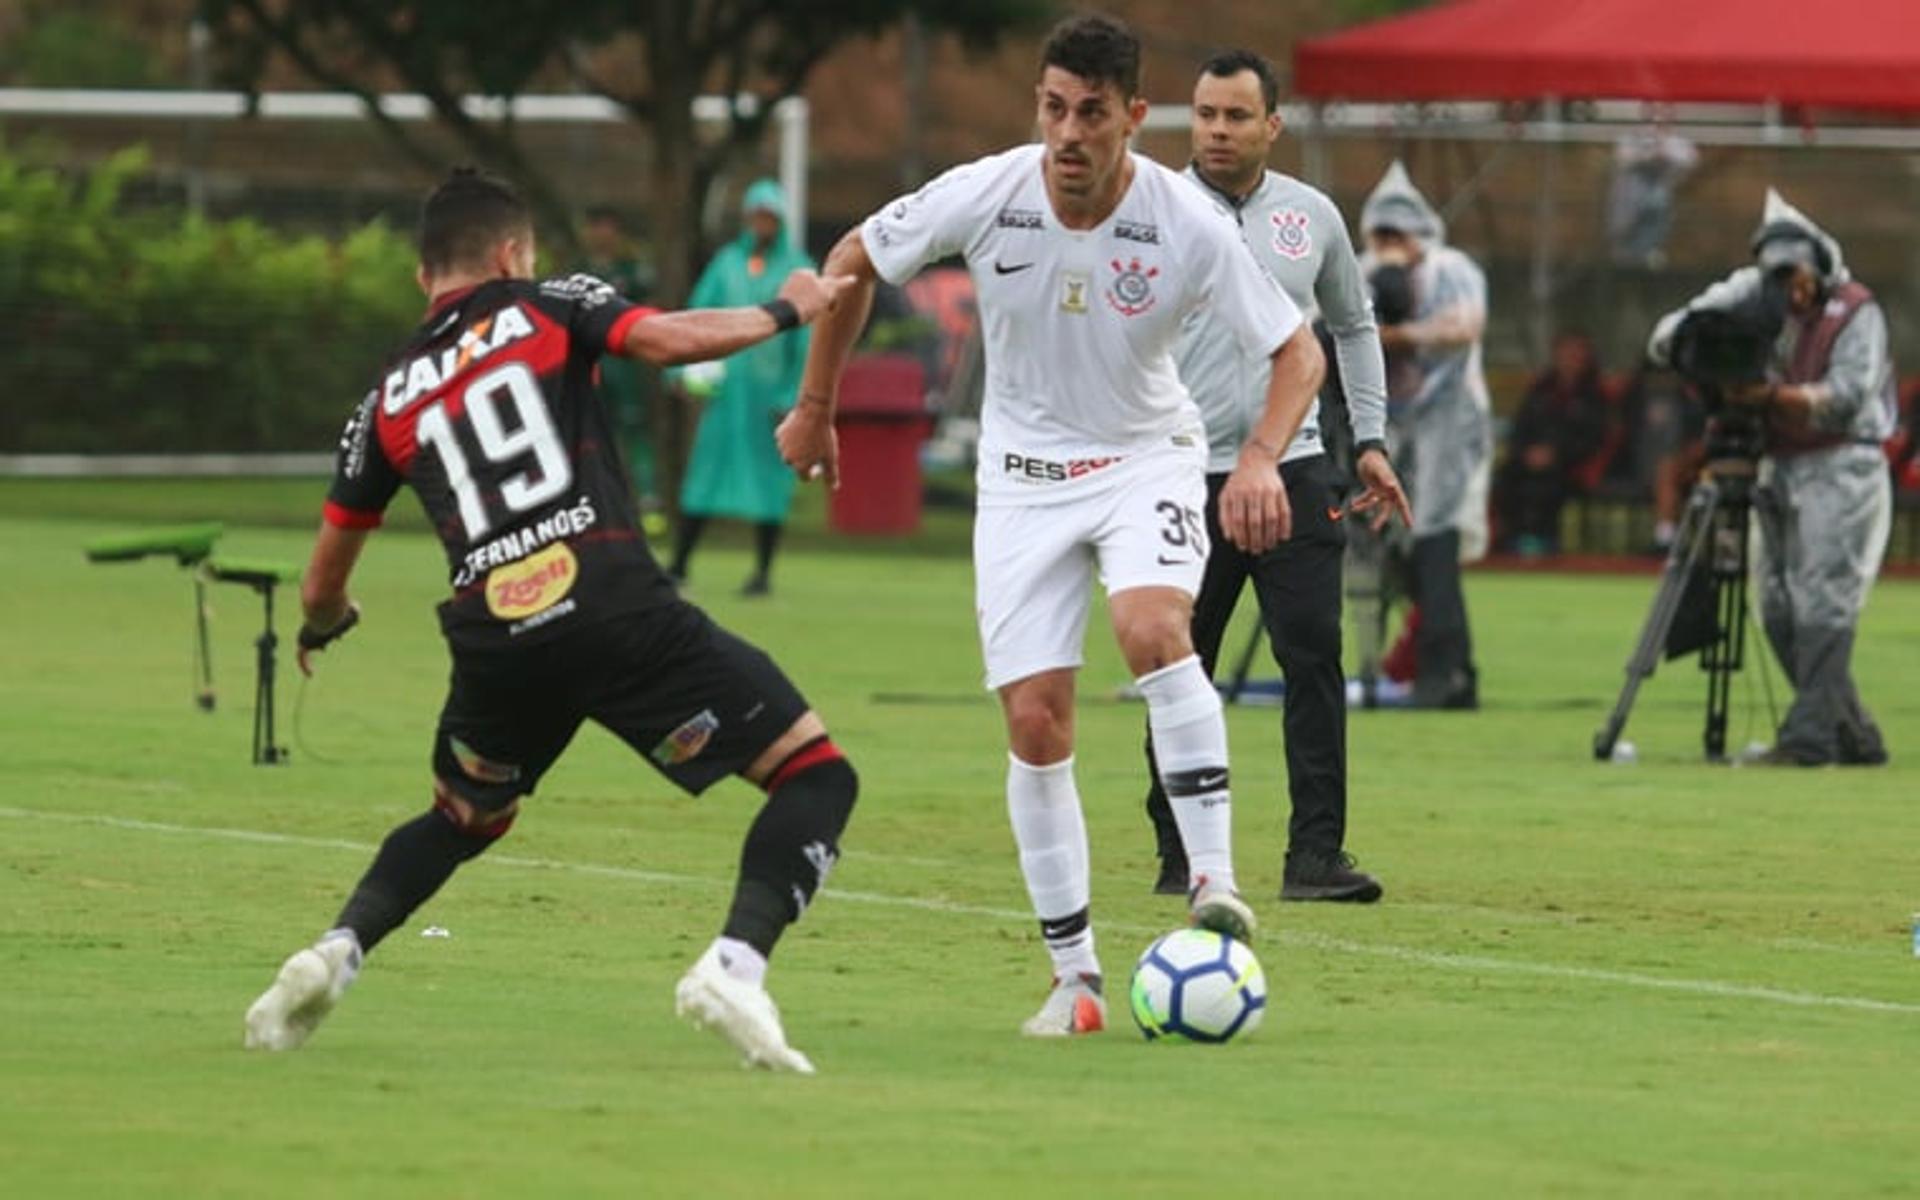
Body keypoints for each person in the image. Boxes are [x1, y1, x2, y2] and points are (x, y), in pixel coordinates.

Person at [780, 13, 1325, 1037]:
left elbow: (1297, 353)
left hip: (1144, 457)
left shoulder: (1185, 220)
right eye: (1052, 108)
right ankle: (1075, 982)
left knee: (1154, 631)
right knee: (1035, 720)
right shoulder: (991, 191)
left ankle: (1214, 877)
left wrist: (1258, 457)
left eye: (1090, 114)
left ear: (1132, 117)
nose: (1067, 133)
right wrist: (816, 404)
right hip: (1023, 478)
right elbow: (852, 257)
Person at [242, 168, 858, 1073]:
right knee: (814, 775)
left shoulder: (387, 400)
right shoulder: (550, 305)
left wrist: (328, 624)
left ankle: (335, 951)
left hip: (496, 643)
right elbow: (666, 340)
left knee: (463, 818)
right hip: (611, 608)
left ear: (424, 277)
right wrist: (788, 309)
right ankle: (734, 967)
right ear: (511, 254)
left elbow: (322, 581)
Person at [1138, 49, 1408, 904]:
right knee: (1181, 665)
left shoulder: (1312, 216)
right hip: (1181, 476)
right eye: (1206, 115)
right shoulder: (1151, 209)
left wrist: (1370, 438)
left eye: (1235, 117)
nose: (1217, 131)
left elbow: (1353, 328)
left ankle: (1315, 857)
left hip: (1292, 471)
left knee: (1313, 658)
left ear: (1272, 126)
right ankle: (1180, 853)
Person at [1649, 189, 1895, 766]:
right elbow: (1665, 339)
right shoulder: (1757, 296)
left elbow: (1846, 398)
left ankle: (1808, 740)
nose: (1793, 289)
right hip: (1777, 462)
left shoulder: (1857, 310)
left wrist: (1771, 396)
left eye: (1798, 275)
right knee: (1779, 609)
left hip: (1843, 464)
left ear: (1819, 267)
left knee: (1823, 602)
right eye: (1779, 277)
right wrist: (1714, 322)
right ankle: (1854, 735)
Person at [1361, 161, 1491, 710]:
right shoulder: (1361, 271)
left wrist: (1397, 334)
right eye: (1381, 235)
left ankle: (1445, 670)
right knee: (1398, 550)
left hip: (1448, 420)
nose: (1391, 246)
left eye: (1399, 235)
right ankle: (1440, 663)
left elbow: (1464, 327)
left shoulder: (1449, 268)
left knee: (1435, 538)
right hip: (1390, 425)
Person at [669, 180, 816, 596]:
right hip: (725, 395)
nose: (763, 224)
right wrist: (682, 371)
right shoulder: (728, 263)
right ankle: (679, 564)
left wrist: (794, 395)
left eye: (771, 217)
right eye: (758, 215)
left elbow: (806, 340)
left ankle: (762, 572)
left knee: (769, 482)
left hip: (768, 398)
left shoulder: (797, 269)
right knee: (704, 475)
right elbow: (699, 313)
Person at [575, 206, 662, 515]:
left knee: (634, 428)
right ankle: (595, 495)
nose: (601, 233)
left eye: (606, 226)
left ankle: (647, 496)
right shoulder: (579, 272)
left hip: (624, 365)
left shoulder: (632, 271)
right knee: (592, 429)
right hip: (589, 366)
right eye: (595, 227)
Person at [1497, 332, 1612, 555]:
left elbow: (1594, 438)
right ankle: (1511, 539)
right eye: (1565, 353)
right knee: (1507, 476)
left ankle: (1546, 541)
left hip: (1569, 463)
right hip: (1530, 459)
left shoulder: (1594, 394)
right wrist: (1525, 453)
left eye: (1576, 354)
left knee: (1547, 483)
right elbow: (1521, 427)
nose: (1570, 359)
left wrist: (1557, 453)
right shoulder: (1541, 389)